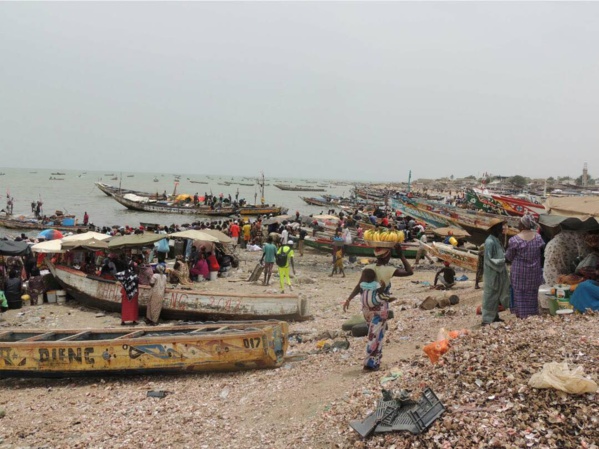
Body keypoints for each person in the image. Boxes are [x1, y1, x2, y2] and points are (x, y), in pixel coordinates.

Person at [344, 244, 413, 371]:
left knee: (373, 334)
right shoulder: (388, 270)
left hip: (366, 309)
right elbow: (410, 271)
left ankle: (373, 361)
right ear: (387, 255)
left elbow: (359, 286)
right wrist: (401, 255)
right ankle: (370, 363)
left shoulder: (367, 268)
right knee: (376, 335)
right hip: (379, 308)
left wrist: (349, 299)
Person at [505, 215, 545, 319]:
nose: (518, 224)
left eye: (519, 223)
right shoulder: (538, 238)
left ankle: (522, 315)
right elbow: (541, 253)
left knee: (519, 294)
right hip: (534, 272)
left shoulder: (515, 240)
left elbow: (509, 257)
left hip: (519, 273)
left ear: (522, 225)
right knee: (532, 293)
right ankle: (532, 314)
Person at [481, 220, 510, 325]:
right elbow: (489, 260)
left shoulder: (496, 240)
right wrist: (503, 261)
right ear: (494, 228)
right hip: (492, 272)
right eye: (500, 227)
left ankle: (494, 316)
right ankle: (487, 319)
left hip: (498, 272)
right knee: (490, 295)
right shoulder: (489, 242)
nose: (502, 229)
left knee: (496, 295)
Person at [115, 259, 139, 326]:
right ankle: (134, 320)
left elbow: (117, 275)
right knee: (133, 307)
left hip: (125, 292)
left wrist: (123, 282)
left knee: (125, 307)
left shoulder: (125, 273)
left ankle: (123, 321)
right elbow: (137, 282)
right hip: (133, 293)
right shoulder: (135, 275)